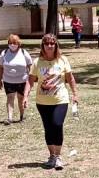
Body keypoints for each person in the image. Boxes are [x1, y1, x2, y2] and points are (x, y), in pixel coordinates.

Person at [22, 34, 78, 170]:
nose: (49, 46)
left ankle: (58, 156)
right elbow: (30, 81)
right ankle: (52, 156)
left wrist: (75, 94)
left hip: (60, 99)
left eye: (52, 43)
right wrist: (25, 96)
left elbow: (70, 78)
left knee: (57, 125)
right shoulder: (37, 62)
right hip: (42, 101)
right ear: (43, 46)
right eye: (47, 43)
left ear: (56, 45)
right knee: (48, 128)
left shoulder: (63, 60)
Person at [0, 34, 32, 125]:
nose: (12, 45)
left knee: (21, 99)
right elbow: (1, 67)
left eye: (14, 43)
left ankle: (22, 116)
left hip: (22, 80)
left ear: (18, 43)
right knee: (10, 98)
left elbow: (30, 66)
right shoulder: (4, 53)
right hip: (8, 80)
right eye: (10, 43)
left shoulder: (24, 53)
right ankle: (10, 118)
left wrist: (30, 80)